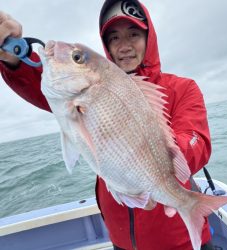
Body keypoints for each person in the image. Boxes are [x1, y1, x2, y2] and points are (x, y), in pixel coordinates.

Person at [0, 1, 213, 249]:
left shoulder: (183, 88)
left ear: (149, 37)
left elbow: (198, 141)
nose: (124, 46)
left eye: (133, 34)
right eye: (114, 37)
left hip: (180, 241)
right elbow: (46, 85)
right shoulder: (81, 94)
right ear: (106, 45)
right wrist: (12, 57)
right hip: (122, 240)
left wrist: (157, 155)